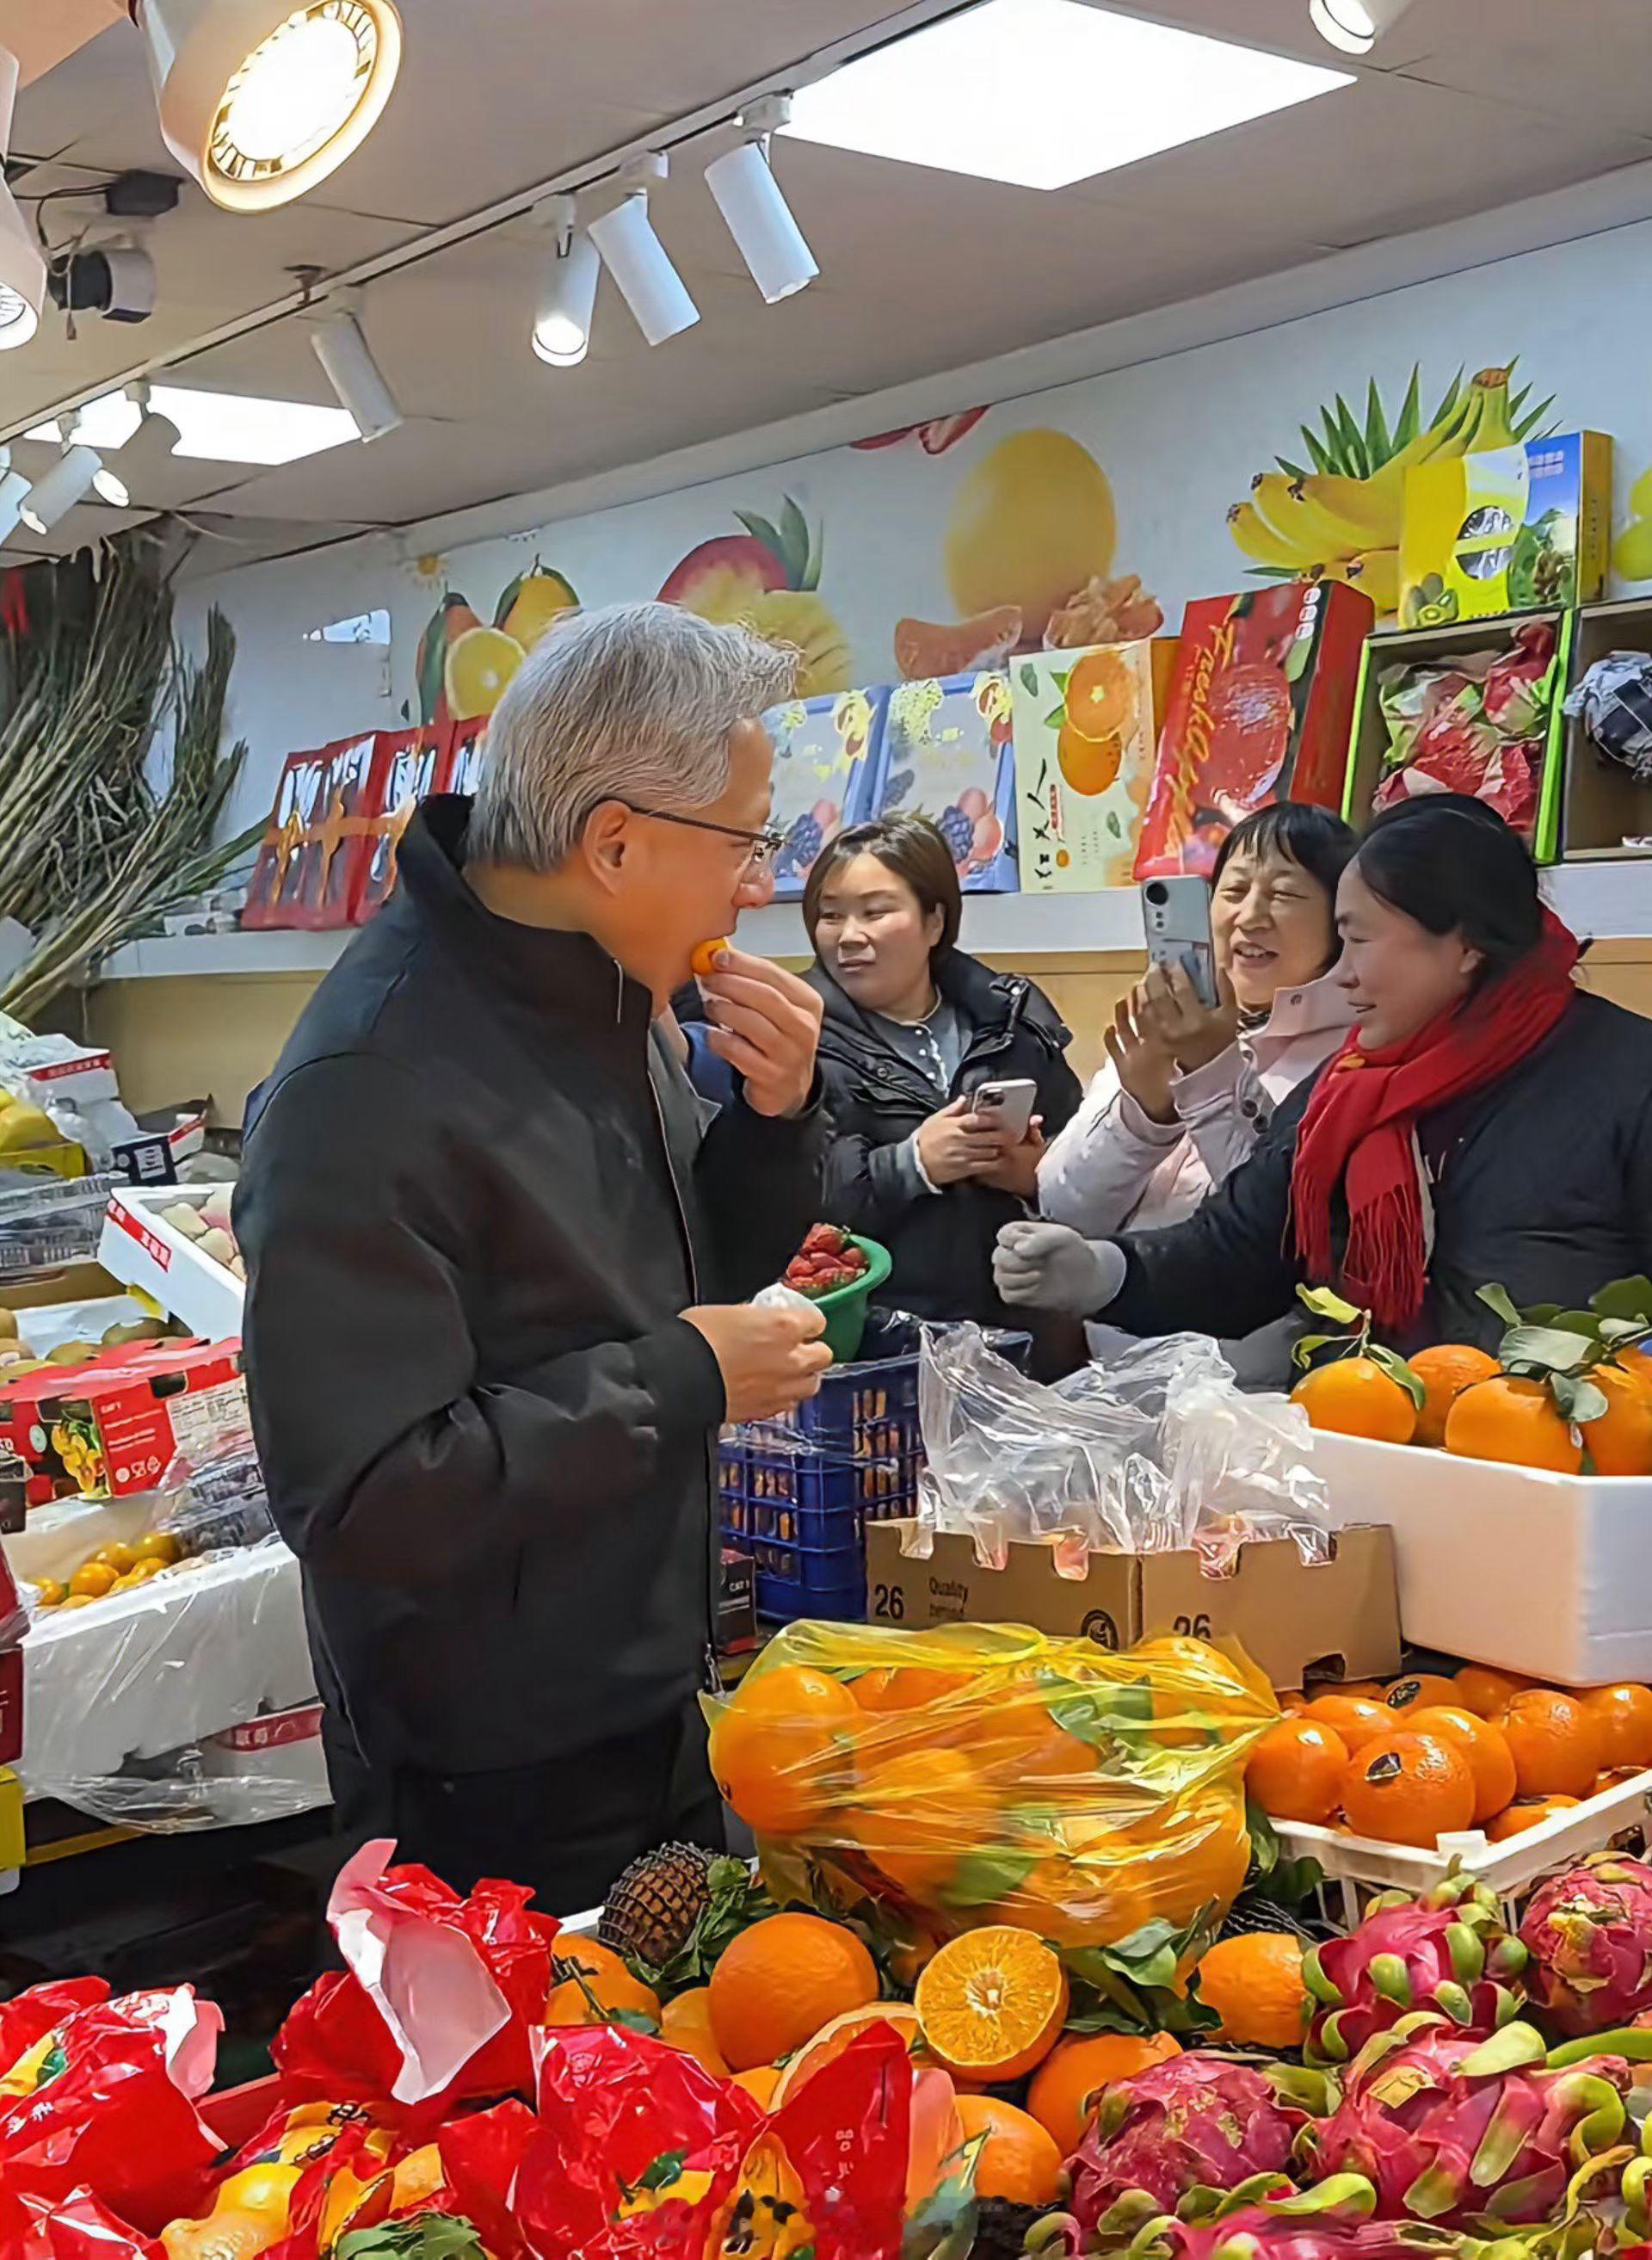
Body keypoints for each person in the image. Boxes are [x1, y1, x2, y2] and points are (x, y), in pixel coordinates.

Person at [235, 602, 833, 1912]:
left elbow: (684, 1275)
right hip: (490, 1773)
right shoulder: (367, 1084)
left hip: (657, 1693)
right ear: (614, 842)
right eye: (747, 841)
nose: (757, 884)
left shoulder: (612, 998)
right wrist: (684, 1379)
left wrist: (776, 1121)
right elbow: (362, 1494)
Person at [996, 795, 1652, 1359]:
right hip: (1360, 1432)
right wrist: (1104, 1271)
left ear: (1466, 945)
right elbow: (1245, 1247)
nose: (1346, 975)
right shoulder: (1352, 1082)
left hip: (1549, 1450)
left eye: (1360, 941)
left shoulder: (1624, 1074)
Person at [803, 814, 1082, 1325]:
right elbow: (779, 1205)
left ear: (935, 922)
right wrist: (911, 1165)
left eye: (875, 912)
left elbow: (1091, 1160)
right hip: (875, 1341)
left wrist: (1036, 1177)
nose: (848, 937)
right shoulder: (795, 1034)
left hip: (1023, 1333)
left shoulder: (1009, 1018)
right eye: (831, 916)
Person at [1039, 804, 1357, 1235]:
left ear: (1341, 921)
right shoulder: (1164, 1026)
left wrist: (1212, 1070)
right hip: (1114, 1277)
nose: (1250, 916)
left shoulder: (1351, 1058)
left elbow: (1292, 1232)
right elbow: (1060, 1211)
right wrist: (1144, 1115)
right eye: (1234, 891)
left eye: (1283, 894)